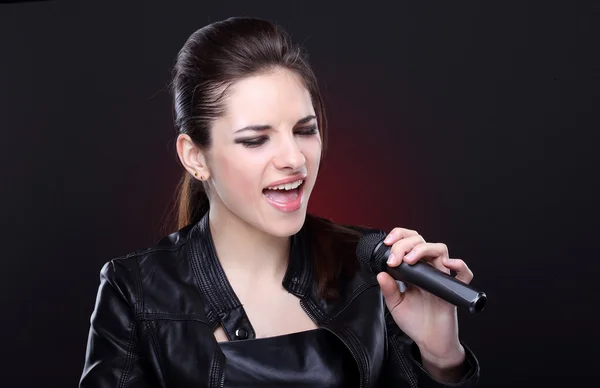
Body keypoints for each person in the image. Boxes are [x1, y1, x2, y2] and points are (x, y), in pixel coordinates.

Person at [79, 16, 480, 388]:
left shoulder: (374, 267)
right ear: (195, 157)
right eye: (255, 139)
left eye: (305, 130)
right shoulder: (136, 291)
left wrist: (441, 357)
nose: (293, 159)